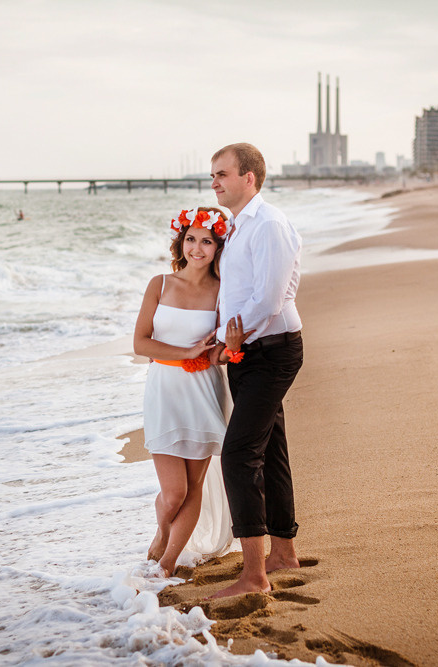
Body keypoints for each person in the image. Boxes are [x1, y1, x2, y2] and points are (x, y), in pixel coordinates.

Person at [207, 143, 304, 598]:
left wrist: (233, 339)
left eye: (221, 174)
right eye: (213, 176)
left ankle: (253, 576)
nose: (214, 183)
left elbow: (271, 297)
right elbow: (241, 291)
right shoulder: (239, 226)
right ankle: (283, 553)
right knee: (272, 450)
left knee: (239, 454)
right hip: (252, 348)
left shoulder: (269, 224)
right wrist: (221, 332)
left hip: (272, 349)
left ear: (249, 177)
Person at [133, 207, 248, 577]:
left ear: (218, 247)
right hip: (164, 392)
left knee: (193, 485)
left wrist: (229, 349)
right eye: (191, 239)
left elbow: (220, 353)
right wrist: (185, 353)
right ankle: (162, 531)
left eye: (207, 241)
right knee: (173, 494)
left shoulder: (221, 292)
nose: (197, 248)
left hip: (203, 392)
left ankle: (166, 565)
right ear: (181, 242)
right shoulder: (159, 284)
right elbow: (141, 344)